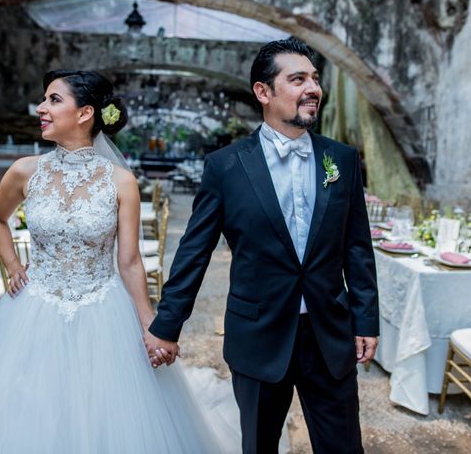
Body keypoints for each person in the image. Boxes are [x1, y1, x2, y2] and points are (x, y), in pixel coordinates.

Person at [0, 70, 224, 453]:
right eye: (45, 99)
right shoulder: (24, 170)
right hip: (32, 311)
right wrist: (13, 265)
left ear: (85, 113)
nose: (41, 108)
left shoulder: (121, 181)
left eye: (54, 100)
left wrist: (149, 325)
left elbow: (130, 261)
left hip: (102, 310)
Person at [145, 38, 379, 453]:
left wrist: (365, 319)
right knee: (258, 445)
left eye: (315, 79)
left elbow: (357, 246)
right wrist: (166, 325)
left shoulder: (340, 160)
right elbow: (194, 252)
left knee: (343, 446)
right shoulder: (226, 166)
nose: (313, 88)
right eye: (298, 79)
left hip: (328, 333)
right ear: (263, 92)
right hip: (257, 334)